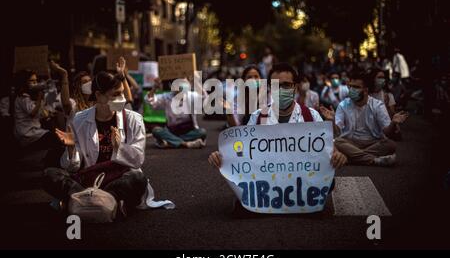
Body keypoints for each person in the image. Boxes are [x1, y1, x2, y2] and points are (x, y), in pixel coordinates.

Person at [43, 71, 173, 215]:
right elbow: (73, 167)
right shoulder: (79, 120)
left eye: (122, 93)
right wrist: (72, 149)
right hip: (88, 180)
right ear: (98, 95)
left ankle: (85, 200)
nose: (122, 98)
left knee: (137, 178)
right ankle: (106, 202)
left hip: (117, 181)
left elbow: (138, 161)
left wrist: (120, 147)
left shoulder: (133, 119)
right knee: (50, 174)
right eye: (115, 94)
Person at [209, 63, 347, 180]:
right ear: (269, 88)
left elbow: (326, 149)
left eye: (287, 85)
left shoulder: (311, 116)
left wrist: (337, 155)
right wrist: (223, 155)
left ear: (295, 87)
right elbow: (243, 149)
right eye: (277, 85)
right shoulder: (257, 118)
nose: (281, 89)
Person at [320, 71, 409, 167]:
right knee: (336, 142)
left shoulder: (377, 105)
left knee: (390, 145)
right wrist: (332, 120)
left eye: (356, 87)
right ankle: (374, 160)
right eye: (351, 86)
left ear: (366, 90)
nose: (352, 90)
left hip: (372, 143)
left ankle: (351, 158)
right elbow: (337, 132)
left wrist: (393, 123)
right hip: (349, 142)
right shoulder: (343, 105)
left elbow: (387, 132)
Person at [13, 69, 65, 165]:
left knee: (56, 135)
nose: (35, 83)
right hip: (27, 133)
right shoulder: (22, 97)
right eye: (32, 81)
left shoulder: (28, 97)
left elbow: (39, 114)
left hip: (33, 131)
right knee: (55, 139)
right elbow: (32, 113)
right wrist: (39, 98)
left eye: (36, 81)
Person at [145, 76, 207, 149]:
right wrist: (155, 87)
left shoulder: (191, 96)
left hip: (188, 132)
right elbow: (149, 100)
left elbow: (204, 97)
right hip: (172, 131)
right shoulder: (166, 97)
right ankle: (185, 143)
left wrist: (196, 82)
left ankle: (171, 142)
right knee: (156, 131)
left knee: (202, 132)